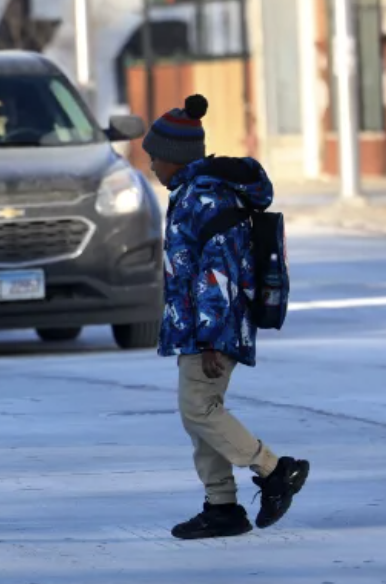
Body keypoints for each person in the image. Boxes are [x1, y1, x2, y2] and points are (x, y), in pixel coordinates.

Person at [143, 94, 309, 539]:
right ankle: (222, 508)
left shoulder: (204, 198)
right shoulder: (196, 192)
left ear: (174, 158)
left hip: (210, 329)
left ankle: (275, 471)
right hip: (196, 328)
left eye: (155, 158)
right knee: (199, 412)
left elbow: (219, 270)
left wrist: (213, 337)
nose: (153, 167)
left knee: (199, 410)